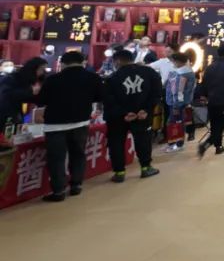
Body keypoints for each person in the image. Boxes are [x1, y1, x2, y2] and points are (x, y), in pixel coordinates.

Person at [36, 51, 104, 201]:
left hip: (55, 125)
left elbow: (41, 100)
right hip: (81, 122)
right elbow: (99, 97)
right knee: (78, 154)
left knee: (56, 158)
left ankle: (58, 191)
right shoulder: (93, 77)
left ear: (63, 63)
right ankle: (76, 185)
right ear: (82, 62)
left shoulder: (53, 79)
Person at [103, 49, 161, 182]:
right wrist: (146, 109)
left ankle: (119, 172)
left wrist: (124, 113)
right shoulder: (149, 72)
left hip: (118, 118)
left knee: (116, 143)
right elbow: (156, 93)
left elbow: (109, 100)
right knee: (143, 141)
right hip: (142, 115)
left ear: (117, 61)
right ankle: (146, 168)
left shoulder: (112, 78)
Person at [195, 45, 224, 158]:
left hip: (212, 101)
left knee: (214, 125)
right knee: (220, 126)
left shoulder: (210, 67)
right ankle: (205, 144)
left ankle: (218, 146)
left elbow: (204, 83)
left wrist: (203, 95)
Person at [163, 52, 197, 151]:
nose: (172, 63)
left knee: (175, 123)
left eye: (173, 61)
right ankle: (176, 143)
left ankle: (177, 144)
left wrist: (176, 106)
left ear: (177, 61)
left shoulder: (181, 74)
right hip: (180, 102)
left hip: (176, 103)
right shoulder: (188, 72)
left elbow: (179, 92)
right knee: (177, 122)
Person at [0, 57, 46, 128]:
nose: (42, 72)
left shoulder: (32, 80)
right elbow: (8, 95)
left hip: (17, 113)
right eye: (41, 69)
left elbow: (27, 97)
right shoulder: (11, 78)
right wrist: (31, 91)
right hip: (6, 113)